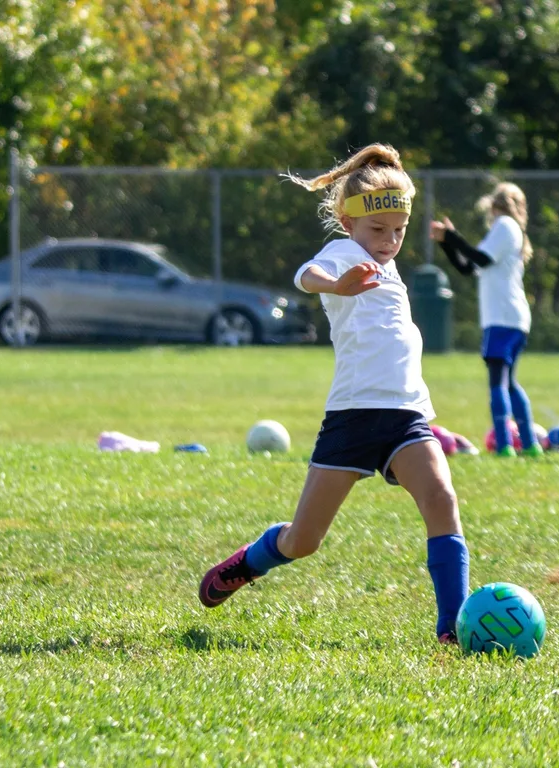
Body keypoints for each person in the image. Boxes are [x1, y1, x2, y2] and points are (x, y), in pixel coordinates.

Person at [199, 144, 469, 645]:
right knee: (303, 540)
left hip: (406, 415)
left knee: (441, 499)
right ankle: (250, 561)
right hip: (353, 418)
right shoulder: (346, 255)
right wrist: (338, 286)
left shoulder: (386, 263)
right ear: (348, 223)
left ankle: (452, 628)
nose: (389, 241)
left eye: (399, 231)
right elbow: (306, 275)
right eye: (378, 230)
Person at [429, 182, 541, 458]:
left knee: (497, 383)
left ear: (494, 205)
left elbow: (480, 258)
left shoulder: (504, 226)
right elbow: (468, 267)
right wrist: (447, 242)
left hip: (502, 317)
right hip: (513, 317)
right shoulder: (505, 231)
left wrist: (452, 236)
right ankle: (530, 445)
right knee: (509, 382)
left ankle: (504, 446)